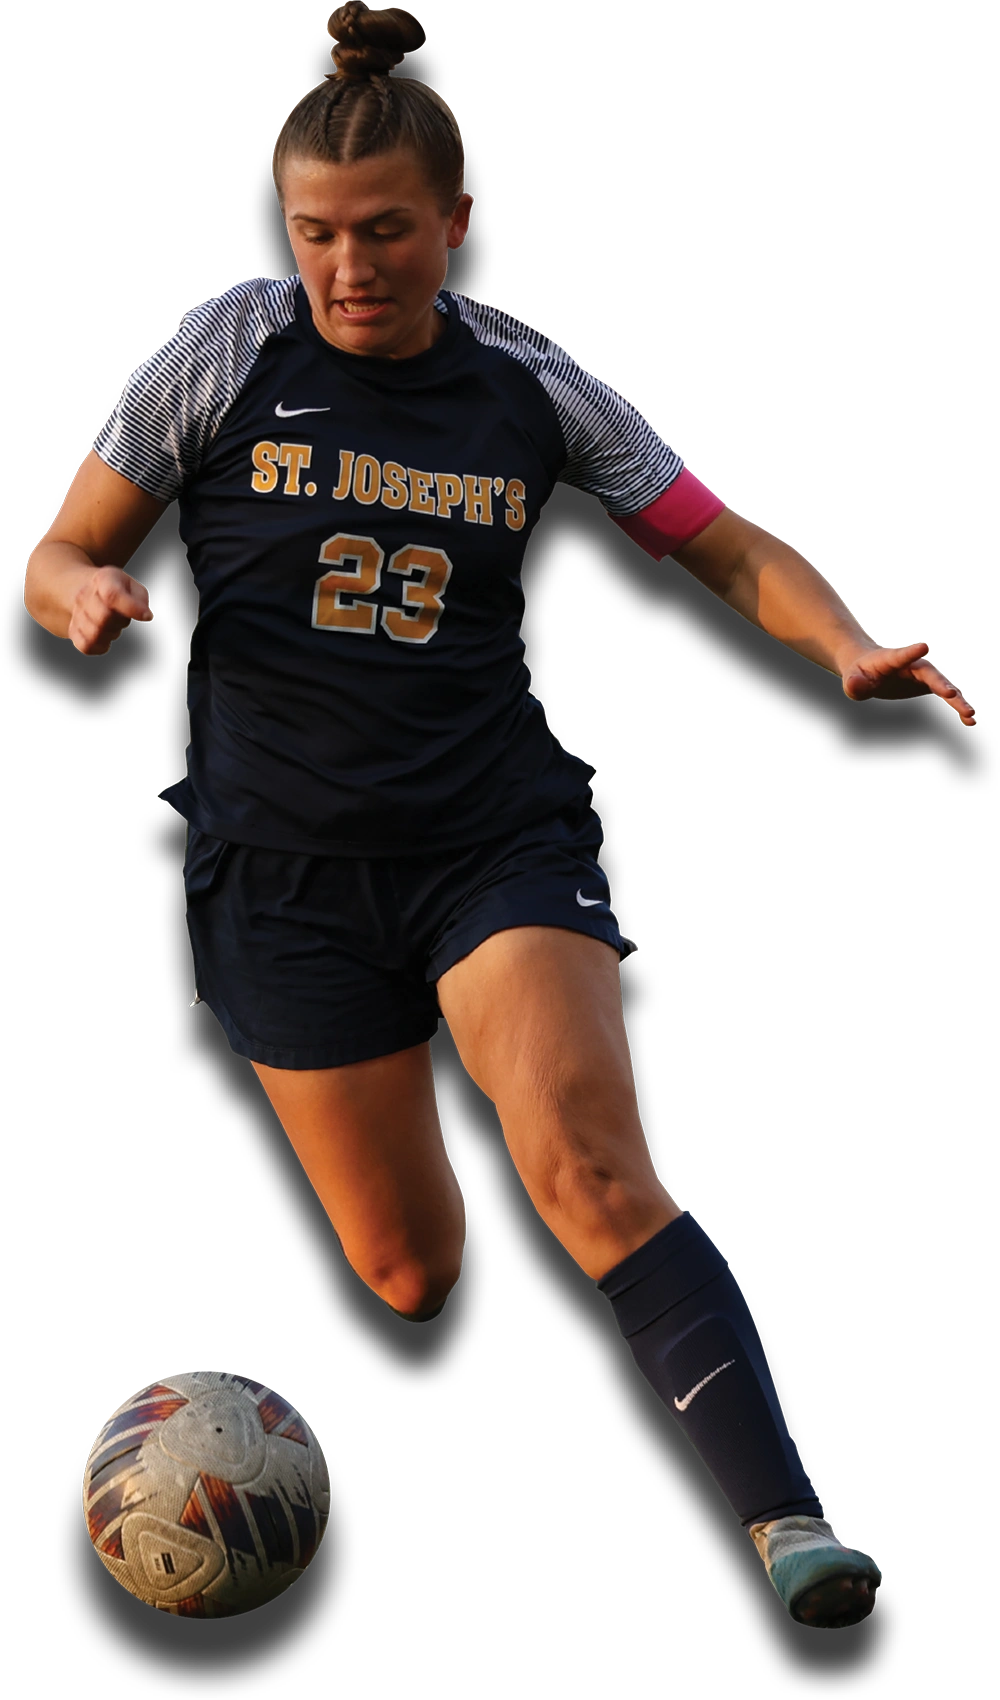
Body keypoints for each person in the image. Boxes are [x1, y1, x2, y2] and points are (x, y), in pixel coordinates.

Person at [23, 3, 880, 1628]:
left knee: (587, 1165)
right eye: (319, 234)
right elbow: (53, 548)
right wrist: (86, 594)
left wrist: (838, 642)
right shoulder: (223, 349)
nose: (352, 267)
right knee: (411, 1276)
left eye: (389, 232)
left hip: (493, 839)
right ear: (287, 232)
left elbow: (722, 542)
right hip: (275, 873)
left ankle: (792, 1528)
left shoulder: (525, 377)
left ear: (456, 223)